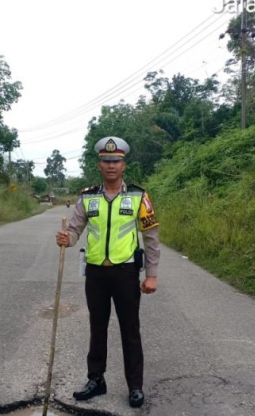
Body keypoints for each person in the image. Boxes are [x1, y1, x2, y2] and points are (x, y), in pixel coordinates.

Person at [55, 136, 160, 408]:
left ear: (124, 164)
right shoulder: (88, 197)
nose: (111, 165)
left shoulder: (139, 196)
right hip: (96, 274)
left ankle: (135, 386)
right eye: (106, 160)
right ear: (99, 165)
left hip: (126, 273)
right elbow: (76, 228)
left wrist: (151, 273)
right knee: (97, 327)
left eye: (116, 161)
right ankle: (96, 380)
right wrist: (68, 237)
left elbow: (151, 236)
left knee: (130, 330)